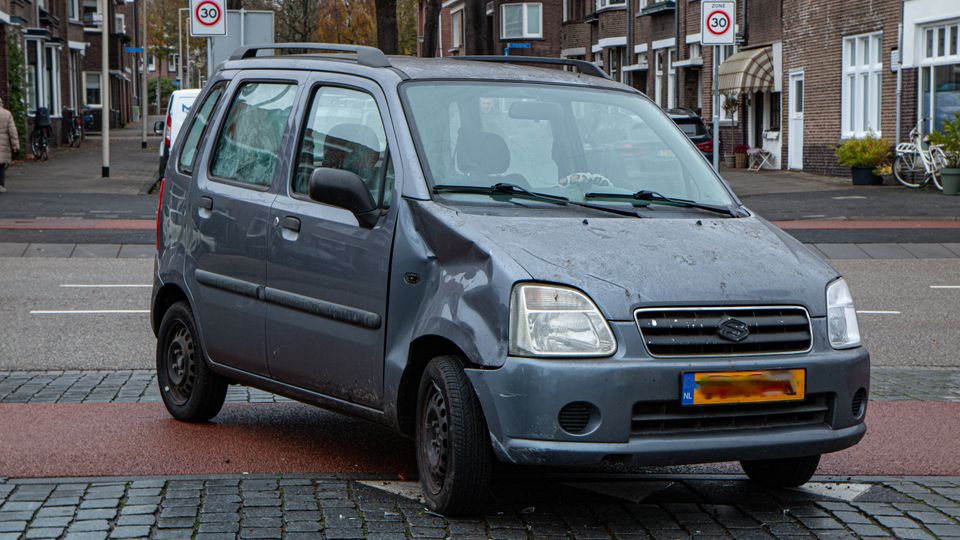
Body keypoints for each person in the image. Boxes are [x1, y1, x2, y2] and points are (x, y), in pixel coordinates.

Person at [0, 97, 19, 193]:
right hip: (3, 143)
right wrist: (15, 145)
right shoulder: (7, 114)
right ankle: (1, 185)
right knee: (1, 165)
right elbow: (12, 131)